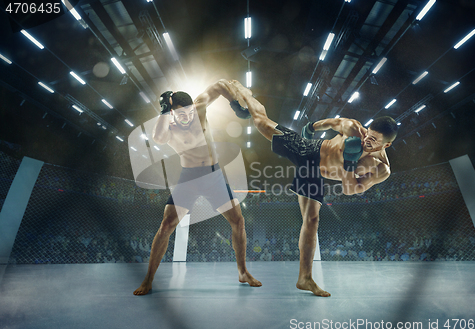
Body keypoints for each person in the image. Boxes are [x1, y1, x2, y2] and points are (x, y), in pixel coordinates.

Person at [230, 80, 397, 297]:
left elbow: (349, 190)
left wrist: (348, 165)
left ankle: (305, 279)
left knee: (312, 220)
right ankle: (245, 97)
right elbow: (331, 123)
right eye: (368, 134)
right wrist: (311, 128)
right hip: (309, 151)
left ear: (386, 145)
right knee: (262, 123)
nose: (367, 140)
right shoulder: (353, 128)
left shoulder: (381, 169)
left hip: (315, 174)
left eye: (374, 141)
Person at [133, 80, 261, 295]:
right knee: (166, 225)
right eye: (179, 113)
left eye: (188, 112)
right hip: (189, 178)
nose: (186, 116)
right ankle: (148, 279)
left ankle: (243, 271)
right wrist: (164, 111)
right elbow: (158, 138)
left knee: (238, 221)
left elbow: (220, 86)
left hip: (214, 175)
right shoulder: (169, 126)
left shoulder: (200, 106)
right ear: (172, 113)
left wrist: (234, 104)